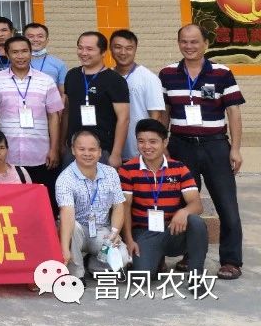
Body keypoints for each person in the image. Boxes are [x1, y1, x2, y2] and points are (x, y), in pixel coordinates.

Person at [158, 23, 245, 280]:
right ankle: (190, 254)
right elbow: (164, 113)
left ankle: (231, 260)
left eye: (195, 41)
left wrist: (235, 149)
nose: (189, 46)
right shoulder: (167, 73)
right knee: (184, 203)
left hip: (215, 146)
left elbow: (234, 112)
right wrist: (163, 147)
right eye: (184, 41)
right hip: (181, 146)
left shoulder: (222, 73)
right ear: (178, 43)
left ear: (205, 44)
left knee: (226, 205)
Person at [120, 119, 208, 277]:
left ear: (165, 142)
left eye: (153, 142)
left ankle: (197, 276)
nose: (146, 147)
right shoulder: (127, 170)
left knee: (196, 222)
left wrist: (184, 212)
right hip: (144, 232)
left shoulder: (179, 168)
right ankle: (155, 259)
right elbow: (125, 207)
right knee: (141, 277)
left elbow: (197, 205)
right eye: (141, 141)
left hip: (172, 229)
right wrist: (129, 240)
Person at [0, 34, 63, 186]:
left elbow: (54, 116)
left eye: (24, 51)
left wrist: (54, 149)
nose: (20, 56)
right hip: (8, 156)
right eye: (15, 52)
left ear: (31, 53)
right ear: (7, 54)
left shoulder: (46, 81)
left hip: (40, 154)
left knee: (39, 197)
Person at [55, 129, 126, 278]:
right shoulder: (65, 179)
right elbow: (67, 214)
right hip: (77, 230)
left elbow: (119, 205)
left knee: (122, 259)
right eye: (82, 149)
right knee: (71, 226)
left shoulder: (111, 173)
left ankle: (94, 264)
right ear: (73, 150)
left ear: (99, 152)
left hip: (101, 230)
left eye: (92, 149)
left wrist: (114, 232)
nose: (87, 153)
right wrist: (64, 249)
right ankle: (77, 274)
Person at [63, 31, 129, 167]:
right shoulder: (72, 75)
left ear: (103, 52)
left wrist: (116, 154)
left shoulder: (115, 80)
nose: (83, 53)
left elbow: (124, 119)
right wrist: (61, 144)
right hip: (73, 149)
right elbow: (67, 112)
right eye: (80, 48)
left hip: (102, 151)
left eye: (89, 49)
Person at [109, 29, 165, 161]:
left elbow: (156, 117)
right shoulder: (107, 77)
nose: (123, 52)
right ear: (110, 49)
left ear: (135, 50)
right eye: (118, 47)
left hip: (138, 152)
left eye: (129, 48)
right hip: (110, 149)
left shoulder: (148, 78)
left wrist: (149, 148)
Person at [24, 22, 69, 94]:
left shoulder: (59, 64)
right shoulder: (16, 62)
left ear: (47, 40)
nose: (35, 39)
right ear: (24, 40)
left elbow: (63, 94)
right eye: (31, 36)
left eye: (40, 36)